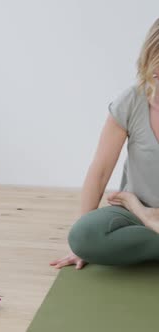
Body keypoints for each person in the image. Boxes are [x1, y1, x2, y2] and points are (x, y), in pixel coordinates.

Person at [50, 18, 159, 270]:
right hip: (133, 213)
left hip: (138, 214)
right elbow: (100, 171)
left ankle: (147, 228)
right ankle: (147, 218)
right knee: (84, 236)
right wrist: (79, 245)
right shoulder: (132, 102)